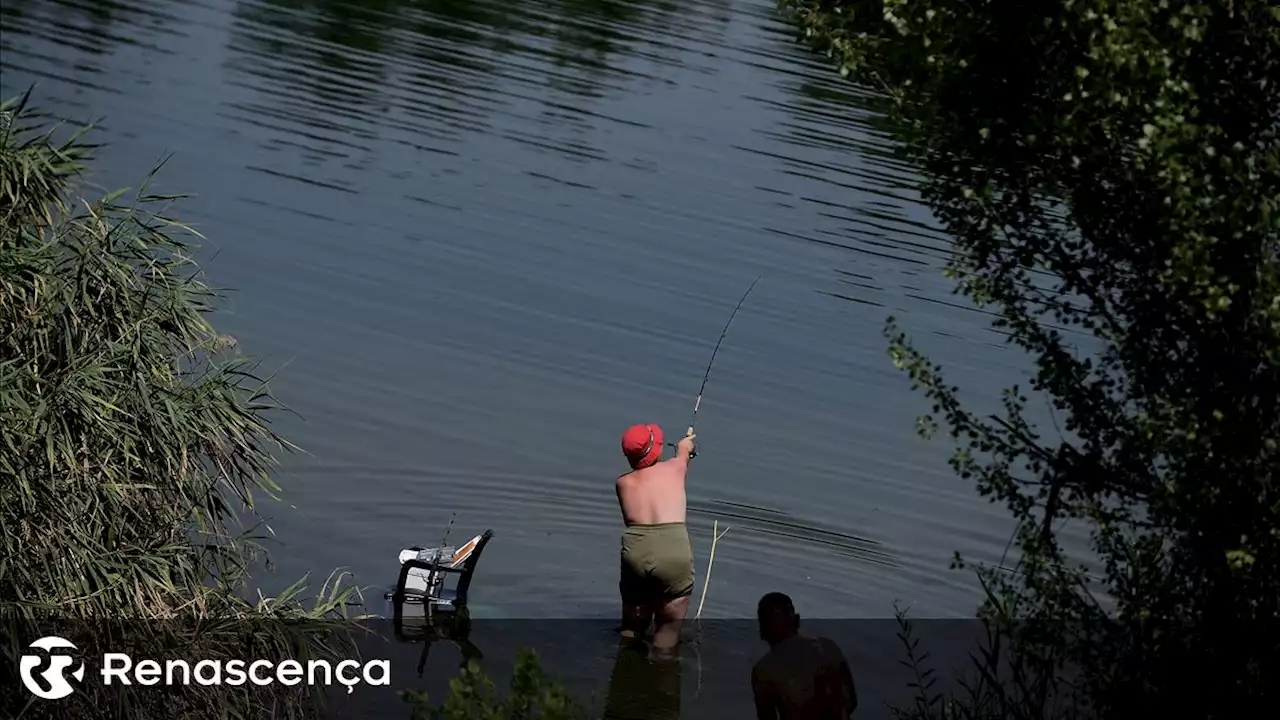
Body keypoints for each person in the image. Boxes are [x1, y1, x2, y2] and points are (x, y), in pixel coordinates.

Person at [615, 423, 697, 652]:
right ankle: (662, 676)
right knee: (668, 629)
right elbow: (683, 453)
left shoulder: (622, 483)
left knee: (631, 628)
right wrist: (686, 444)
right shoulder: (674, 469)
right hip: (673, 553)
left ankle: (625, 674)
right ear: (656, 450)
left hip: (637, 551)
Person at [751, 592, 857, 720]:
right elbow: (851, 701)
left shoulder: (763, 670)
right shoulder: (827, 646)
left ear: (764, 630)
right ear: (796, 619)